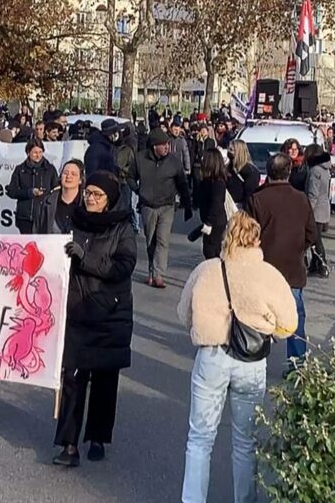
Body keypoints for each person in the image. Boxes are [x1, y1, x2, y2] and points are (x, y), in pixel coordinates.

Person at [177, 211, 298, 503]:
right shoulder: (269, 275)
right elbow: (290, 323)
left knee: (200, 439)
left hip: (211, 355)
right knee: (245, 442)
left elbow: (183, 313)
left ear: (226, 236)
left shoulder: (206, 271)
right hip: (251, 361)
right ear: (257, 240)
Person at [53, 171, 136, 467]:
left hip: (109, 313)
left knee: (103, 380)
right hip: (76, 311)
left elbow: (124, 266)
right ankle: (69, 443)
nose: (90, 198)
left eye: (97, 195)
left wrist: (84, 259)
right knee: (73, 379)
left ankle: (98, 437)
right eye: (88, 193)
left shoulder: (122, 228)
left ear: (110, 199)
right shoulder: (74, 220)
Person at [245, 153, 317, 369]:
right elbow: (312, 234)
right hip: (292, 268)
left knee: (259, 315)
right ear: (289, 172)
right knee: (294, 317)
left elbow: (246, 236)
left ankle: (254, 360)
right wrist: (298, 249)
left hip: (263, 268)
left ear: (268, 173)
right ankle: (297, 363)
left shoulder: (256, 199)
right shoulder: (301, 199)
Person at [127, 129, 192, 288]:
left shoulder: (173, 161)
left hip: (167, 205)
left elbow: (182, 184)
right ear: (154, 146)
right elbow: (129, 177)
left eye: (167, 145)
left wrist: (187, 204)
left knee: (163, 240)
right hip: (148, 206)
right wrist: (138, 190)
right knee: (151, 241)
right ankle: (151, 270)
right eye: (163, 145)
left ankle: (158, 274)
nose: (167, 148)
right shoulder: (140, 159)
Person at [6, 139, 59, 235]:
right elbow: (11, 191)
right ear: (28, 152)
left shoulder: (50, 169)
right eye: (35, 152)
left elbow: (57, 190)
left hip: (44, 217)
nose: (38, 155)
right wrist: (29, 193)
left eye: (40, 152)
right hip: (25, 218)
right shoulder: (20, 169)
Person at [303, 144, 332, 277]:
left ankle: (322, 264)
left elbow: (312, 193)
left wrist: (307, 211)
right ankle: (315, 265)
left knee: (315, 239)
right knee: (316, 238)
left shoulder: (315, 170)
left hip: (316, 208)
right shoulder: (324, 169)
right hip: (323, 206)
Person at [195, 149, 229, 260]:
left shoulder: (217, 183)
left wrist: (209, 222)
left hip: (215, 223)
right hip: (209, 220)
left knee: (212, 251)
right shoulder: (207, 181)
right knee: (208, 250)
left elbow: (217, 203)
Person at [36, 159, 84, 234]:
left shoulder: (86, 204)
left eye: (73, 174)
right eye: (65, 173)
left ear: (80, 180)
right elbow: (37, 231)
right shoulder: (47, 202)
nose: (68, 176)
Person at [225, 140, 260, 208]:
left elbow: (250, 194)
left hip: (240, 208)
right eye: (228, 149)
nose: (228, 151)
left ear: (239, 152)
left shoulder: (250, 171)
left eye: (231, 150)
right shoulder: (228, 168)